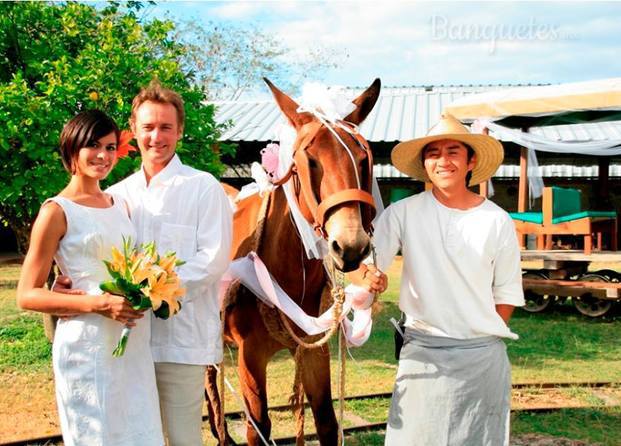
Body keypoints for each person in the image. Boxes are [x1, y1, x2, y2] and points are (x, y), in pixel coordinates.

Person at [358, 114, 525, 446]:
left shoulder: (497, 220)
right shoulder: (402, 213)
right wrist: (367, 278)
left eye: (453, 152)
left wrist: (476, 335)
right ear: (424, 163)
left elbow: (506, 291)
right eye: (433, 153)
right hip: (423, 354)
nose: (442, 161)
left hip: (481, 359)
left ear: (470, 161)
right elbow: (367, 264)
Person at [16, 110, 164, 446]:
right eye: (93, 145)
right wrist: (96, 303)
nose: (103, 155)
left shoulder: (120, 205)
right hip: (88, 346)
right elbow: (26, 294)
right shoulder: (56, 211)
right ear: (72, 150)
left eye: (111, 147)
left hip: (131, 343)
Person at [106, 80, 233, 445]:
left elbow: (213, 259)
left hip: (181, 341)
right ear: (133, 130)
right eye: (147, 127)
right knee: (134, 436)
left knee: (181, 438)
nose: (156, 136)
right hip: (126, 340)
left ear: (179, 130)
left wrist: (154, 292)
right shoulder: (116, 195)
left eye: (165, 127)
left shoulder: (203, 187)